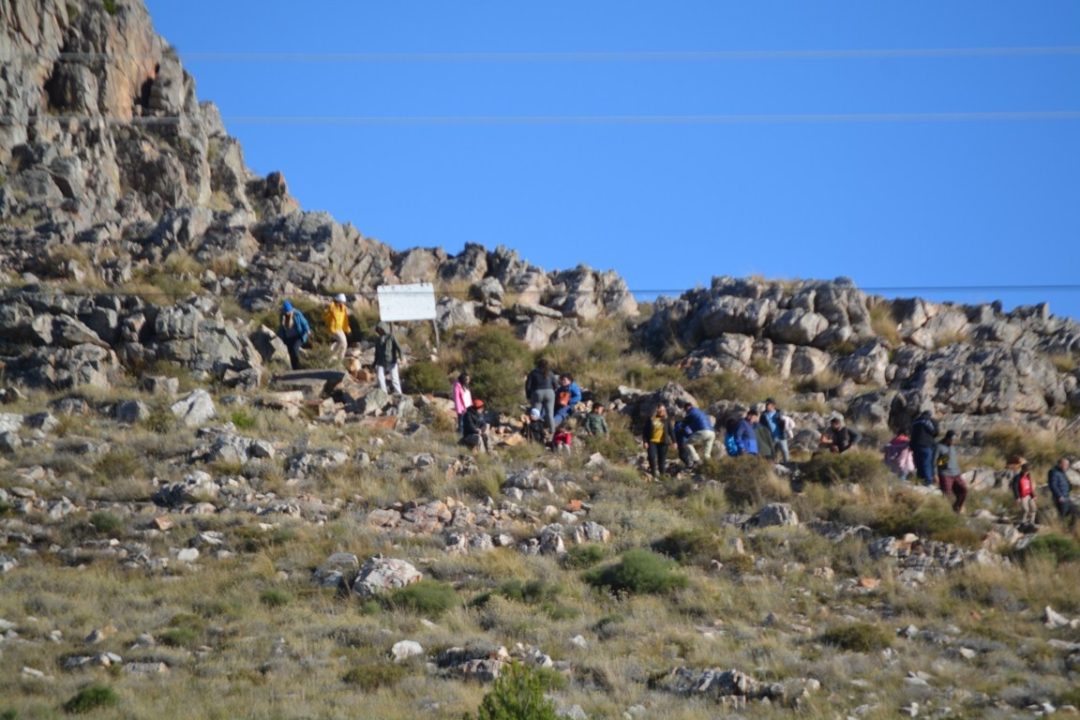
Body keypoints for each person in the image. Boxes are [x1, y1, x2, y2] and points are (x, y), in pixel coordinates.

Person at [935, 430, 968, 513]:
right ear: (947, 438)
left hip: (956, 473)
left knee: (963, 490)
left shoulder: (952, 447)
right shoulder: (939, 447)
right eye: (952, 440)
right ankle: (946, 512)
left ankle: (957, 507)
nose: (954, 442)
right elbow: (935, 462)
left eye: (955, 440)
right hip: (945, 474)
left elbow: (953, 460)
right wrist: (935, 474)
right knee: (947, 494)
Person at [525, 358, 558, 434]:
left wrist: (528, 396)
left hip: (537, 393)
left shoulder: (533, 373)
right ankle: (552, 431)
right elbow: (556, 385)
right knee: (550, 413)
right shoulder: (550, 373)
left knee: (536, 413)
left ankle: (535, 430)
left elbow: (528, 386)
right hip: (549, 393)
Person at [642, 404, 675, 479]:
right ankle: (653, 474)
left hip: (663, 443)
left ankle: (662, 476)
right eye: (660, 410)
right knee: (652, 457)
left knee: (662, 460)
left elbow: (671, 431)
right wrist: (645, 441)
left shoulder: (667, 420)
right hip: (652, 441)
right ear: (656, 411)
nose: (662, 412)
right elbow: (645, 432)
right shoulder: (650, 419)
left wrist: (674, 442)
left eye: (663, 410)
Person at [679, 400, 716, 467]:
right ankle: (709, 466)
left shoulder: (691, 413)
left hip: (703, 431)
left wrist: (681, 429)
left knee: (687, 443)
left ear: (687, 408)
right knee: (707, 453)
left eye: (685, 410)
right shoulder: (701, 412)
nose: (686, 412)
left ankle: (696, 460)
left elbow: (683, 424)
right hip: (712, 433)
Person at [277, 300, 311, 371]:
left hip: (299, 336)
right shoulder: (282, 316)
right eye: (286, 312)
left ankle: (297, 368)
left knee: (294, 349)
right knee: (290, 352)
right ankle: (294, 368)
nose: (287, 313)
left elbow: (304, 323)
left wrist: (307, 330)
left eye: (289, 311)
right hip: (288, 337)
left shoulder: (297, 314)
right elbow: (282, 328)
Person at [910, 410, 939, 486]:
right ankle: (928, 481)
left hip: (916, 445)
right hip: (927, 445)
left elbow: (912, 434)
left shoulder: (915, 421)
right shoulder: (931, 421)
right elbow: (935, 432)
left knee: (918, 463)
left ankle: (919, 480)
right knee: (927, 463)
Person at [373, 322, 403, 395]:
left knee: (394, 378)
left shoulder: (391, 337)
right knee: (380, 378)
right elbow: (377, 353)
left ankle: (399, 393)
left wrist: (401, 357)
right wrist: (374, 364)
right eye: (378, 329)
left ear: (384, 329)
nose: (380, 331)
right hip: (380, 362)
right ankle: (384, 393)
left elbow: (399, 348)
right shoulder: (377, 340)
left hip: (391, 361)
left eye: (381, 329)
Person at [323, 293, 351, 360]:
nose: (343, 303)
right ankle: (332, 356)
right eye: (341, 302)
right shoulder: (332, 307)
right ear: (338, 301)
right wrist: (330, 307)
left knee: (345, 344)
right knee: (342, 341)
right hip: (333, 329)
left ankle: (340, 358)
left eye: (343, 302)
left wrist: (348, 330)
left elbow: (345, 320)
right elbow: (325, 317)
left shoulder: (343, 309)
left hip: (340, 329)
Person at [1048, 458, 1075, 522]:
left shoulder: (1062, 472)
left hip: (1066, 496)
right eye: (1066, 465)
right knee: (1062, 515)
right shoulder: (1054, 472)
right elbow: (1053, 485)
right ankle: (1060, 529)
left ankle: (1070, 528)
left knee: (1075, 513)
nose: (1067, 466)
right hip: (1061, 498)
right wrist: (1059, 496)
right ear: (1060, 464)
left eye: (1068, 465)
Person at [1010, 461, 1037, 526]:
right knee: (1025, 510)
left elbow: (1031, 487)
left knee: (1034, 509)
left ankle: (1031, 522)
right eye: (1026, 470)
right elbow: (1015, 487)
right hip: (1022, 496)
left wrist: (1034, 495)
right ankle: (1023, 522)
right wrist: (1017, 497)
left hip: (1029, 495)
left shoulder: (1029, 477)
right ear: (1023, 469)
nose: (1027, 472)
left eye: (1028, 470)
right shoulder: (1017, 477)